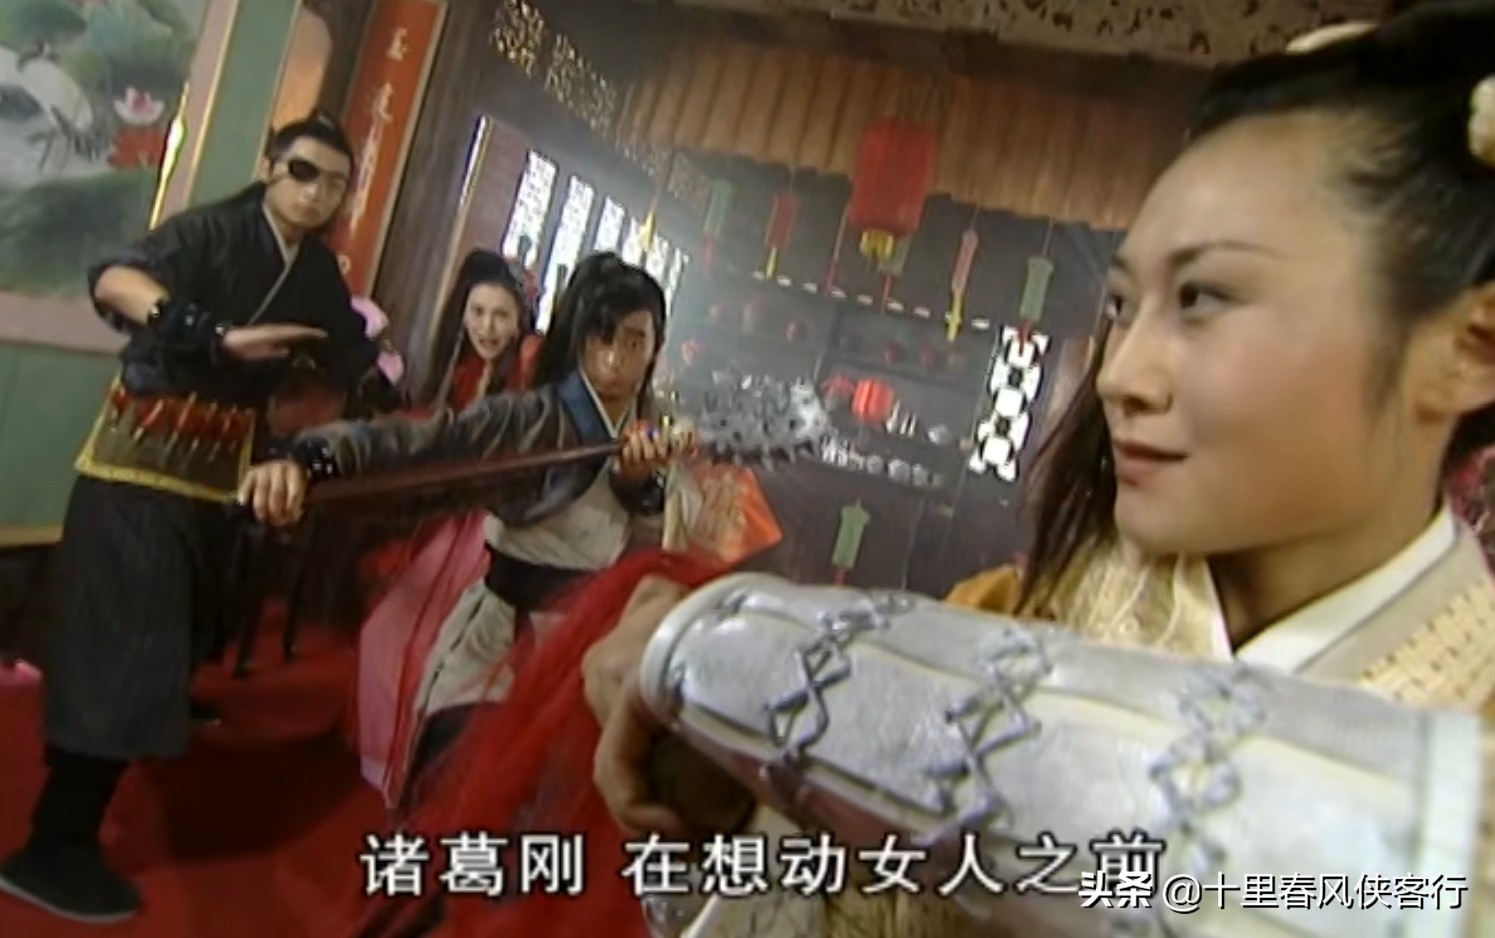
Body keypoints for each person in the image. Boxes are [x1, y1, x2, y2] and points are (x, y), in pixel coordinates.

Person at [327, 3, 1495, 935]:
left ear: (1470, 345)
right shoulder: (1032, 606)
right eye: (1120, 307)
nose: (1126, 374)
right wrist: (728, 797)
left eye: (1207, 297)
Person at [0, 111, 395, 924]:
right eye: (303, 172)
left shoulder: (313, 271)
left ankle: (82, 812)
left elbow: (347, 351)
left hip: (215, 481)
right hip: (139, 471)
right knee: (126, 654)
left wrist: (381, 401)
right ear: (271, 166)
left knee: (178, 639)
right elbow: (116, 279)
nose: (316, 193)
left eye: (334, 183)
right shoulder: (211, 232)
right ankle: (53, 846)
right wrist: (205, 331)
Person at [237, 253, 694, 814]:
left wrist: (639, 483)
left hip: (581, 640)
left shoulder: (654, 433)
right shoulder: (529, 418)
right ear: (577, 338)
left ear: (656, 347)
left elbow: (663, 548)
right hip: (497, 625)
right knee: (446, 786)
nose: (615, 358)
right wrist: (314, 458)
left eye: (634, 341)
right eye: (601, 338)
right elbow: (429, 443)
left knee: (548, 805)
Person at [352, 250, 541, 801]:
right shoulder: (457, 374)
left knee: (448, 650)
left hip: (490, 527)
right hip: (447, 522)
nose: (487, 327)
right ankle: (390, 759)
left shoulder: (528, 380)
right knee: (385, 634)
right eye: (477, 313)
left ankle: (436, 768)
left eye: (501, 315)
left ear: (521, 322)